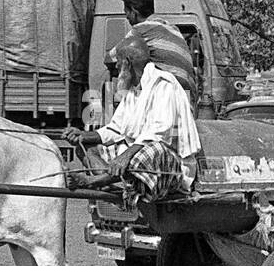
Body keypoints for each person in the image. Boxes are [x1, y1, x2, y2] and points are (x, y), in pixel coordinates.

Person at [63, 31, 201, 199]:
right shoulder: (133, 90)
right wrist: (84, 135)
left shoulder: (164, 84)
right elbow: (115, 129)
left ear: (127, 63)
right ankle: (115, 186)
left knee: (150, 151)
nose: (116, 69)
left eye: (118, 64)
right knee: (87, 149)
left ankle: (94, 181)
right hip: (137, 161)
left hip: (170, 166)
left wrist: (125, 156)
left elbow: (160, 134)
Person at [111, 0, 199, 107]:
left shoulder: (140, 29)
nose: (126, 17)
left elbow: (111, 58)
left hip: (166, 101)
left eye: (126, 12)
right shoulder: (173, 29)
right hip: (188, 100)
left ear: (134, 12)